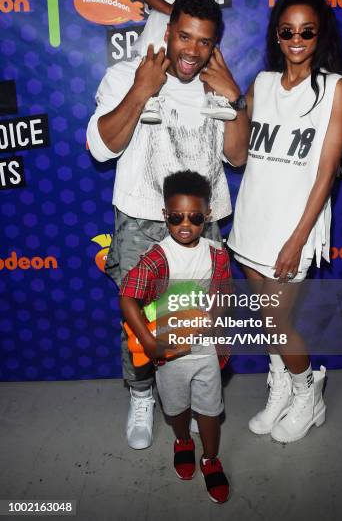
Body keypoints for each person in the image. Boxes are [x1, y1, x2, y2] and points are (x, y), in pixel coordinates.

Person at [86, 0, 249, 450]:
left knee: (200, 321)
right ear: (168, 29)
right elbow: (101, 147)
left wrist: (233, 97)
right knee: (139, 321)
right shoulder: (126, 75)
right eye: (184, 36)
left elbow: (236, 157)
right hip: (142, 222)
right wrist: (142, 90)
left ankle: (200, 396)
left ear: (214, 44)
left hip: (202, 223)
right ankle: (141, 396)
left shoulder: (220, 86)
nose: (191, 51)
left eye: (203, 42)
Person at [228, 0, 342, 442]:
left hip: (291, 229)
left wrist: (299, 238)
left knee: (278, 323)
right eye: (287, 30)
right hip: (252, 220)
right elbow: (239, 155)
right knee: (267, 320)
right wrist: (232, 103)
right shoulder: (260, 84)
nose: (296, 40)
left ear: (320, 35)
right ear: (276, 35)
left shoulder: (335, 89)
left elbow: (326, 173)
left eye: (307, 31)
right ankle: (280, 384)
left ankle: (308, 391)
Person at [119, 170, 230, 504]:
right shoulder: (157, 258)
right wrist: (151, 344)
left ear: (207, 215)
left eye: (195, 217)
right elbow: (128, 297)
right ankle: (182, 441)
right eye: (177, 217)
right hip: (168, 353)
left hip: (205, 349)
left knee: (210, 410)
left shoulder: (217, 254)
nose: (186, 224)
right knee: (176, 408)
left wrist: (217, 321)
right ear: (165, 215)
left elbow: (223, 294)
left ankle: (211, 459)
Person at [137, 0, 235, 122]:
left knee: (210, 61)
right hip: (158, 39)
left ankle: (212, 99)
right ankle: (150, 103)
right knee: (153, 66)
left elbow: (212, 19)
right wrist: (173, 11)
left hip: (191, 42)